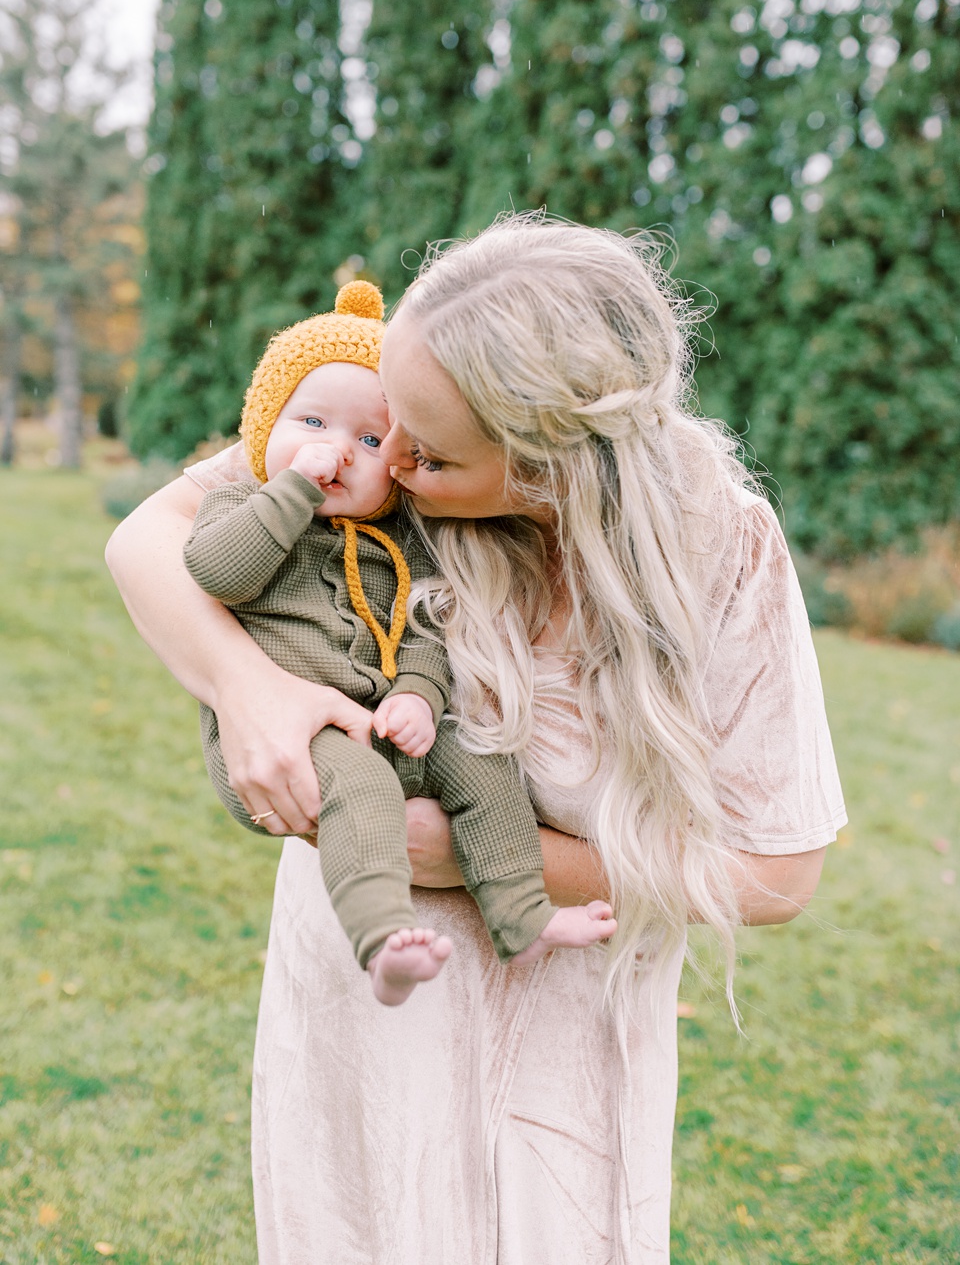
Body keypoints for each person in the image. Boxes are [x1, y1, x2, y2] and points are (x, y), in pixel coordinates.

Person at [106, 214, 846, 1264]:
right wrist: (247, 689)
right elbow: (145, 537)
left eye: (431, 451)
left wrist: (481, 857)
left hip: (565, 1062)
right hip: (360, 1016)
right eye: (390, 419)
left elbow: (779, 874)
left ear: (547, 465)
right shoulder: (391, 420)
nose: (388, 460)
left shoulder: (719, 548)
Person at [183, 278, 616, 1005]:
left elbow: (425, 629)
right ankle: (384, 941)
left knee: (483, 764)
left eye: (369, 439)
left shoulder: (402, 540)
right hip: (292, 739)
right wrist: (293, 491)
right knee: (361, 786)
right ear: (264, 428)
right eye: (312, 422)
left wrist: (417, 695)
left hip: (388, 723)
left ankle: (522, 916)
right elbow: (220, 573)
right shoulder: (242, 505)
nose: (336, 451)